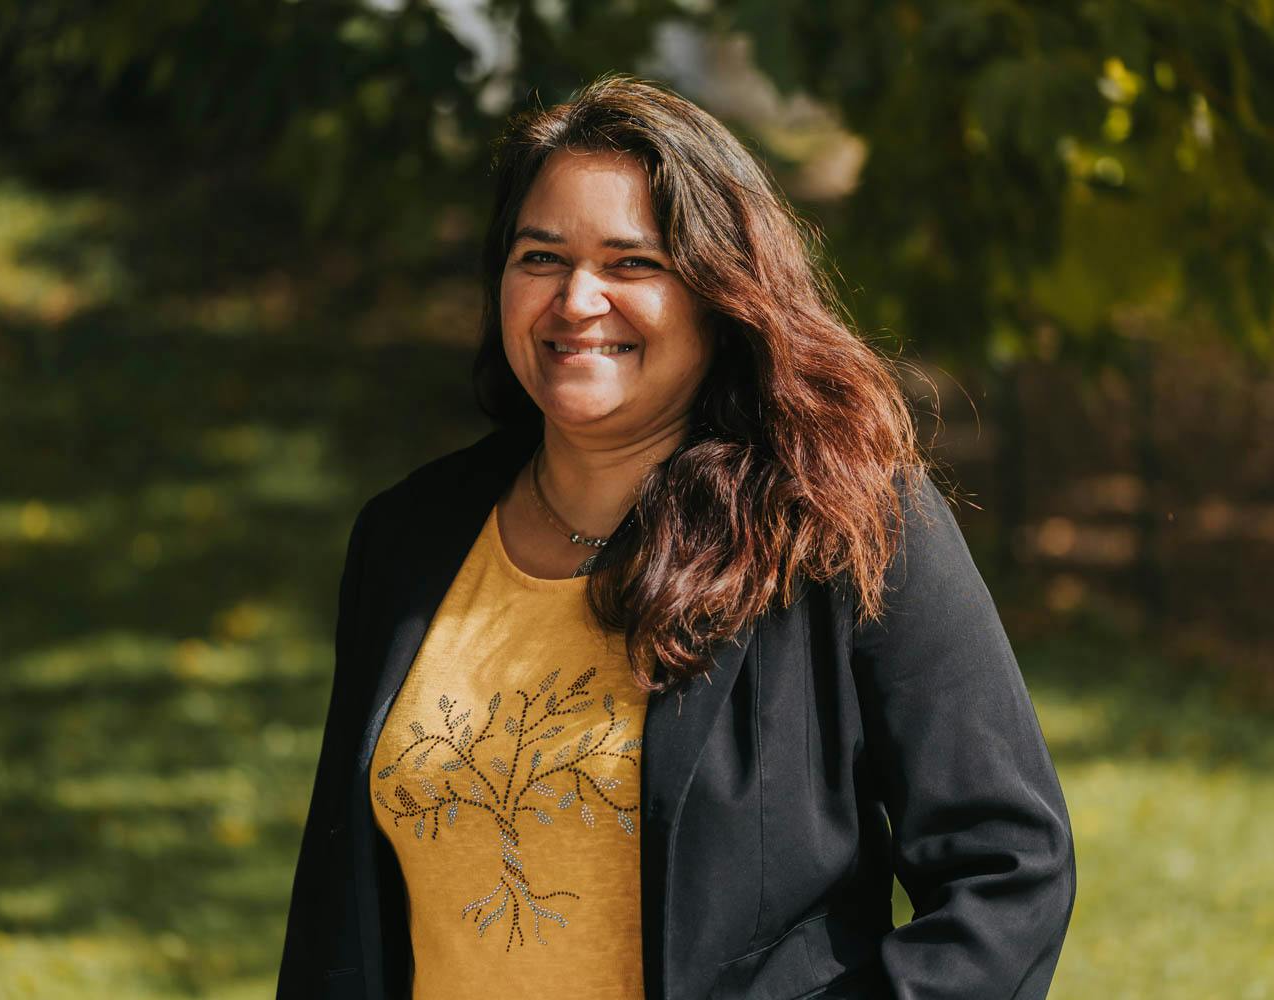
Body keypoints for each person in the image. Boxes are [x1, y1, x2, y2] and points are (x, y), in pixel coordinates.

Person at [277, 75, 1074, 1000]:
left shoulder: (840, 522)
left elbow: (1007, 869)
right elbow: (339, 912)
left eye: (632, 264)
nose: (577, 300)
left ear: (719, 294)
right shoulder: (407, 538)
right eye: (541, 257)